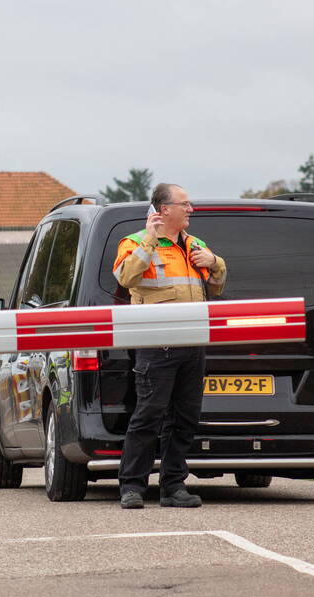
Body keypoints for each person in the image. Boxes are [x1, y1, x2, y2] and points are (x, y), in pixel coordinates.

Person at [112, 183, 227, 509]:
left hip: (193, 344)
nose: (191, 209)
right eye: (185, 204)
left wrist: (215, 261)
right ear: (164, 210)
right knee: (148, 416)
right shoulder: (134, 242)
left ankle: (173, 487)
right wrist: (149, 240)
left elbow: (216, 288)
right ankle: (132, 486)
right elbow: (125, 277)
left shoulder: (195, 245)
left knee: (185, 419)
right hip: (156, 345)